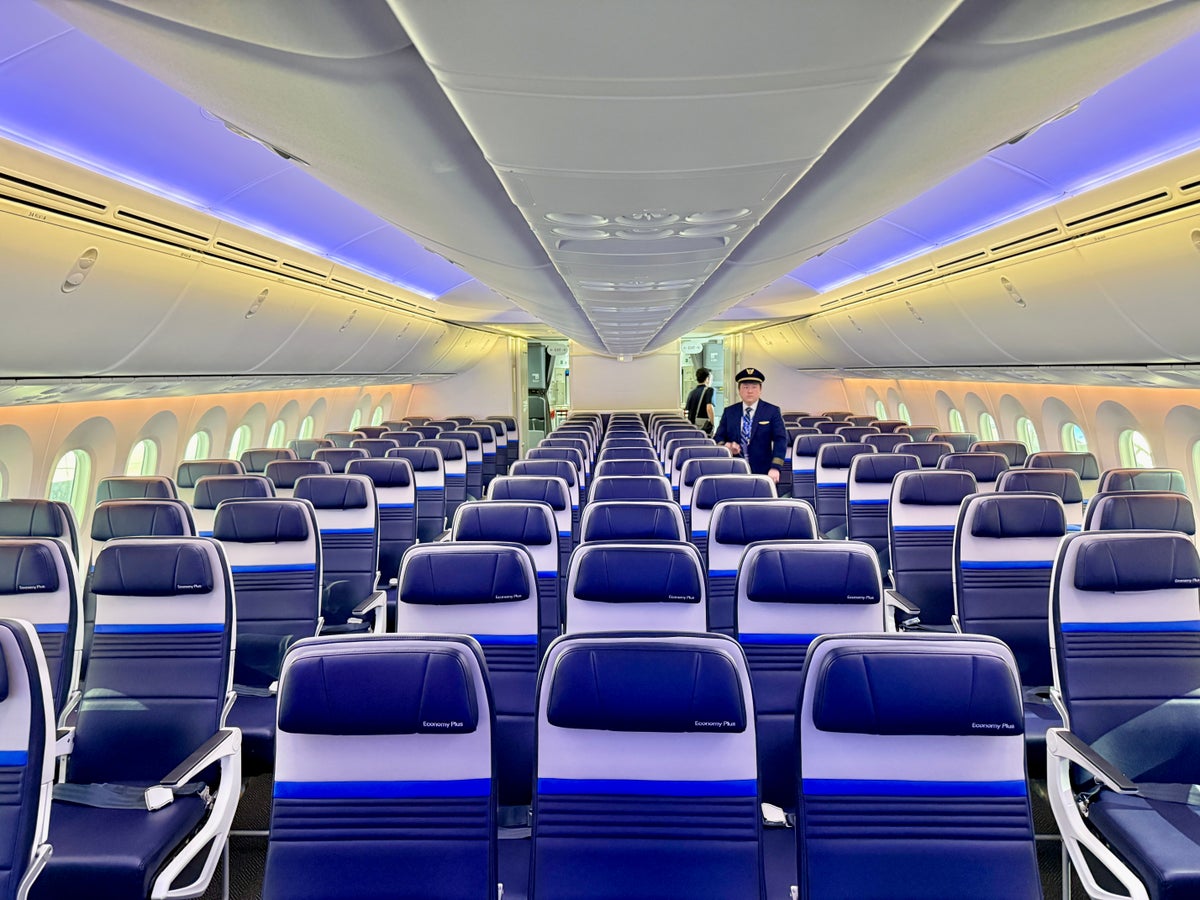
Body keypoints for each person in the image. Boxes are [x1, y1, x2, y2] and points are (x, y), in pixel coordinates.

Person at [712, 366, 788, 483]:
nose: (750, 391)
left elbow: (781, 440)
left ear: (760, 389)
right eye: (745, 387)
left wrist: (775, 467)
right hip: (734, 469)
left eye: (754, 387)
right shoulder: (730, 412)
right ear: (739, 390)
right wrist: (727, 446)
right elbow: (718, 437)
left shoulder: (772, 411)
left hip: (764, 470)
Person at [684, 367, 715, 435]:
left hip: (691, 426)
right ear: (707, 378)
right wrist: (712, 424)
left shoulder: (691, 392)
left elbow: (687, 410)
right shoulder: (709, 390)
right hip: (703, 427)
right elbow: (709, 408)